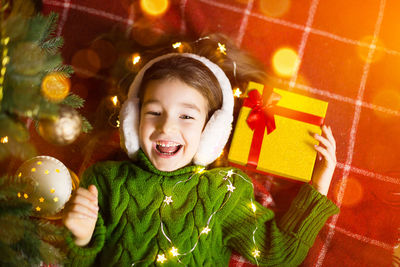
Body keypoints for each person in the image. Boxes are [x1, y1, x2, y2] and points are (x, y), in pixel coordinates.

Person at [62, 38, 339, 266]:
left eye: (187, 116)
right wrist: (82, 238)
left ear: (212, 131)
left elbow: (280, 254)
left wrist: (319, 184)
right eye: (154, 112)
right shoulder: (104, 182)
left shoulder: (222, 193)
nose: (166, 127)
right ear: (134, 120)